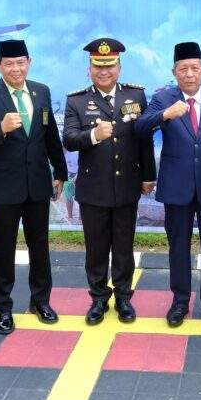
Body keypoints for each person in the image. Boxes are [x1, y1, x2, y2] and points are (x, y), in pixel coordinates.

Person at [135, 42, 201, 328]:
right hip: (177, 187)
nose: (189, 74)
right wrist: (165, 114)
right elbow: (140, 127)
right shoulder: (162, 98)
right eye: (183, 69)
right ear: (174, 72)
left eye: (195, 68)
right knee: (178, 247)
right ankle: (180, 302)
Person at [0, 39, 68, 333]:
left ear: (29, 63)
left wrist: (60, 171)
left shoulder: (41, 91)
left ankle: (41, 301)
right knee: (4, 249)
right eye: (9, 64)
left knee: (40, 246)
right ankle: (3, 307)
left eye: (20, 62)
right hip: (3, 188)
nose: (15, 69)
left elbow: (51, 136)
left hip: (37, 184)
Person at [62, 38, 156, 325]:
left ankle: (124, 297)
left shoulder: (136, 96)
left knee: (124, 246)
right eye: (98, 66)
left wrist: (148, 175)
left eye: (109, 66)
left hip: (127, 185)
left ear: (119, 67)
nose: (104, 72)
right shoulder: (76, 100)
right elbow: (69, 139)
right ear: (89, 68)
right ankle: (99, 298)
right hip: (93, 189)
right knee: (96, 248)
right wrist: (93, 135)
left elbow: (144, 139)